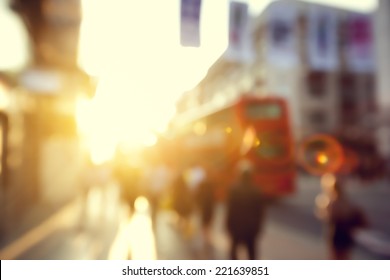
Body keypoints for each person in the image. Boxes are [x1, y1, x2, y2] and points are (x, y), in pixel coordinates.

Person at [316, 174, 368, 260]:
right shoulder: (346, 200)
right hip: (346, 231)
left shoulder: (329, 201)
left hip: (337, 231)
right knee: (344, 255)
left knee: (335, 255)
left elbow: (327, 216)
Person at [225, 160, 266, 260]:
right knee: (251, 252)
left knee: (233, 252)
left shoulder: (234, 189)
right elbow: (260, 212)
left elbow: (230, 210)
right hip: (251, 228)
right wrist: (258, 227)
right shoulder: (256, 190)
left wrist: (228, 225)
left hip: (237, 227)